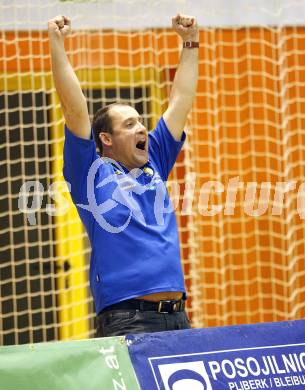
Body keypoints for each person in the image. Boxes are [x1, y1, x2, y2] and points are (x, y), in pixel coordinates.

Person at [47, 13, 199, 337]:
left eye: (140, 121)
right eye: (129, 124)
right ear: (106, 139)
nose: (142, 127)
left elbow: (180, 102)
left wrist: (190, 42)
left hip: (179, 317)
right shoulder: (90, 173)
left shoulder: (153, 159)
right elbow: (74, 110)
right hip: (128, 320)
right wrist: (57, 45)